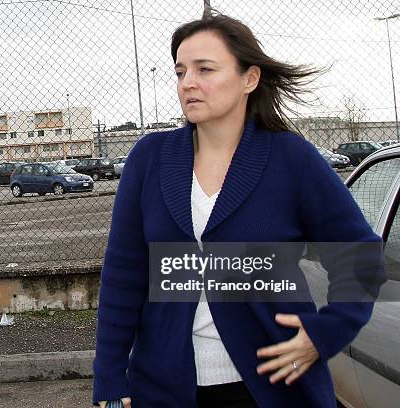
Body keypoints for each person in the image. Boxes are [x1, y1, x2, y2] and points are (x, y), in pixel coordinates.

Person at [93, 12, 386, 408]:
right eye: (180, 72)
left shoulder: (291, 158)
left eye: (205, 69)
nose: (188, 83)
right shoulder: (150, 158)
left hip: (271, 388)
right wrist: (110, 376)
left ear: (249, 79)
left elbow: (358, 255)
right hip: (165, 388)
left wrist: (325, 333)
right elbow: (124, 272)